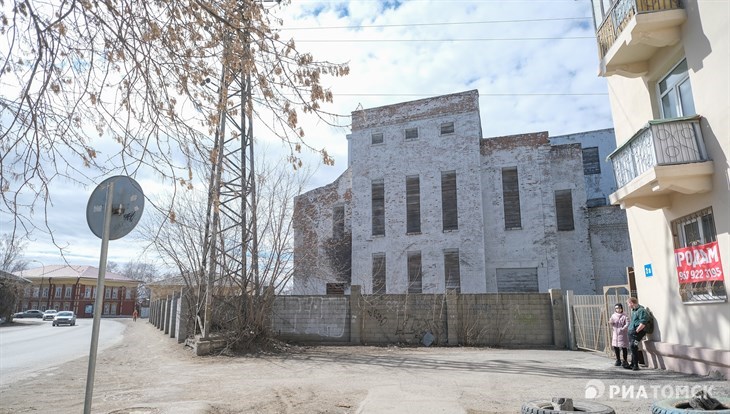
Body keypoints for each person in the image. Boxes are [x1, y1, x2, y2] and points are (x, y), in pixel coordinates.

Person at [625, 297, 648, 371]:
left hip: (637, 332)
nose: (628, 305)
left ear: (631, 303)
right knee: (632, 347)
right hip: (631, 332)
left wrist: (637, 331)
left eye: (628, 304)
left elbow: (643, 322)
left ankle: (635, 365)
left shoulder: (641, 310)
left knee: (633, 346)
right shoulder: (634, 311)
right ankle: (632, 364)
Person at [609, 303, 629, 368]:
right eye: (617, 308)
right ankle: (618, 360)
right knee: (616, 346)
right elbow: (611, 322)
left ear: (622, 308)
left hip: (622, 334)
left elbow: (627, 323)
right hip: (615, 333)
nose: (618, 309)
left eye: (619, 308)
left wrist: (623, 329)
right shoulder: (613, 315)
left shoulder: (625, 316)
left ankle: (625, 360)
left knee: (624, 347)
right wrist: (611, 322)